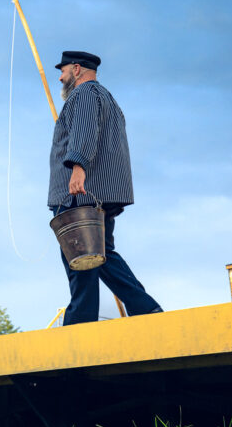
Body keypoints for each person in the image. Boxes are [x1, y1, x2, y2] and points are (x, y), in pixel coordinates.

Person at [49, 50, 163, 325]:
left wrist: (78, 168)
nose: (61, 77)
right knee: (99, 253)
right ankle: (145, 309)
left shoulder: (85, 94)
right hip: (99, 190)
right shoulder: (107, 98)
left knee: (79, 253)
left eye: (63, 71)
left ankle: (80, 322)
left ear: (77, 69)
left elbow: (85, 131)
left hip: (80, 190)